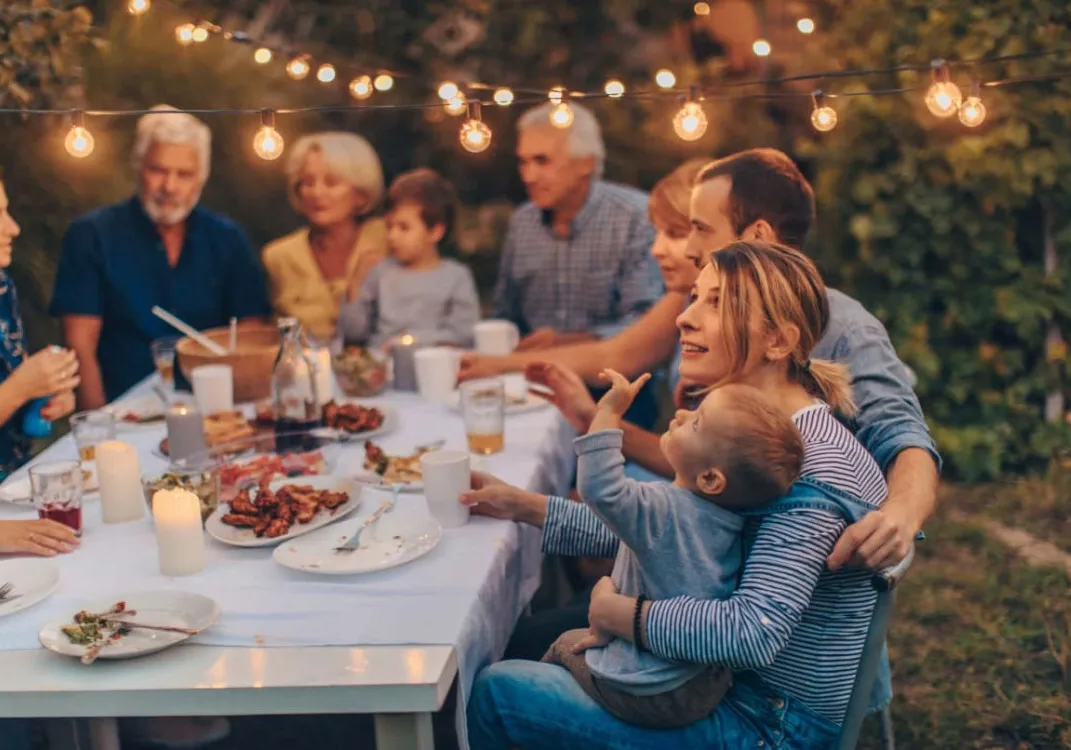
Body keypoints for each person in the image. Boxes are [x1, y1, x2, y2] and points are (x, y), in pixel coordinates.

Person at [466, 241, 889, 748]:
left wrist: (621, 616)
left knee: (498, 694)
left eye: (716, 303)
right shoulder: (753, 439)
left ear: (777, 341)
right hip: (711, 683)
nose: (685, 317)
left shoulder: (810, 467)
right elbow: (667, 528)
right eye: (694, 297)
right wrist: (525, 506)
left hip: (765, 724)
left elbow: (752, 632)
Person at [470, 148, 938, 574]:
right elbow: (688, 512)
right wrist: (528, 503)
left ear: (757, 236)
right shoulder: (706, 312)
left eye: (697, 229)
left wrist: (900, 514)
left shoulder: (842, 331)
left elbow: (902, 434)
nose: (687, 248)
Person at [542, 371, 806, 730]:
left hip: (645, 689)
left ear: (711, 479)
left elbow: (600, 488)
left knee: (560, 646)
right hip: (699, 684)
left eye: (696, 423)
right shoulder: (731, 521)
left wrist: (606, 415)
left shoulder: (661, 509)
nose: (681, 415)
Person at [51, 105, 270, 408]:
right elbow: (79, 346)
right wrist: (101, 426)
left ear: (201, 179)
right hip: (125, 410)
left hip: (215, 405)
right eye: (158, 170)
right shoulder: (92, 235)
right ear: (138, 167)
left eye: (184, 174)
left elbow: (250, 332)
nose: (170, 186)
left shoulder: (227, 238)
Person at [493, 101, 663, 351]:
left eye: (542, 161)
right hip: (530, 379)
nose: (528, 176)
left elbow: (647, 322)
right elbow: (505, 315)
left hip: (618, 383)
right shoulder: (522, 222)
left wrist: (565, 344)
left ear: (586, 164)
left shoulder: (636, 217)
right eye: (523, 162)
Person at [0, 153, 80, 484]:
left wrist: (49, 393)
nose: (14, 228)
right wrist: (20, 389)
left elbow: (17, 375)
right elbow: (15, 386)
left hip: (23, 482)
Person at [262, 132, 388, 339]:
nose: (317, 193)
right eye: (308, 182)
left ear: (360, 193)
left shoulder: (387, 238)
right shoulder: (278, 257)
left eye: (331, 182)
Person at [338, 168, 479, 348]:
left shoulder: (456, 277)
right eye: (389, 227)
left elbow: (463, 334)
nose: (392, 236)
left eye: (404, 228)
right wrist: (355, 285)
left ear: (435, 231)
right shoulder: (381, 272)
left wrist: (409, 342)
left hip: (434, 363)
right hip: (383, 365)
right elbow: (353, 332)